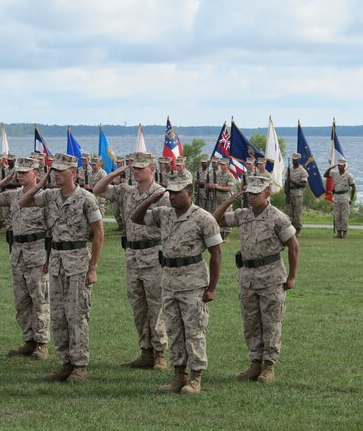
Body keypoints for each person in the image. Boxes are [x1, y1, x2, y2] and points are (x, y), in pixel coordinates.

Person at [131, 174, 222, 394]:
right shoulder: (164, 214)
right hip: (169, 281)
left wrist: (211, 288)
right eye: (170, 192)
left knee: (194, 330)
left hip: (193, 282)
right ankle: (179, 375)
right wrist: (151, 199)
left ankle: (196, 377)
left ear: (189, 192)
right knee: (174, 330)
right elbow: (136, 218)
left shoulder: (203, 218)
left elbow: (216, 254)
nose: (172, 196)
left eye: (177, 192)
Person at [19, 153, 104, 383]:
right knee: (58, 316)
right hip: (56, 260)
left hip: (77, 260)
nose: (56, 174)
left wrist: (92, 267)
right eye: (54, 170)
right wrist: (42, 180)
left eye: (60, 171)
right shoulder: (49, 195)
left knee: (77, 315)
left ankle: (80, 366)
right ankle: (65, 362)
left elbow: (98, 234)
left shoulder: (86, 198)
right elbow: (23, 201)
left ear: (73, 173)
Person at [213, 175, 299, 384]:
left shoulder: (278, 218)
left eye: (256, 193)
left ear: (267, 194)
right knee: (251, 323)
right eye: (249, 193)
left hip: (271, 277)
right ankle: (254, 364)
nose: (251, 197)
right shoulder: (243, 215)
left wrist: (292, 277)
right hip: (248, 278)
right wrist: (227, 201)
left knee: (270, 323)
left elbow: (293, 247)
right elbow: (215, 220)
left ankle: (268, 366)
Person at [93, 152, 169, 370]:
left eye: (140, 168)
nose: (135, 171)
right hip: (132, 255)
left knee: (156, 305)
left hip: (154, 253)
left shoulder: (162, 194)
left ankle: (160, 353)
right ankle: (145, 351)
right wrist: (118, 171)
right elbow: (98, 190)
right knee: (138, 306)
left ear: (152, 170)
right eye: (133, 168)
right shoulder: (126, 191)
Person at [0, 158, 51, 360]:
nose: (20, 175)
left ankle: (42, 343)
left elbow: (51, 230)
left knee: (39, 299)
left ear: (36, 174)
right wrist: (2, 182)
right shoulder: (13, 195)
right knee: (22, 301)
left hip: (38, 252)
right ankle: (28, 340)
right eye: (18, 172)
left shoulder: (45, 197)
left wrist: (49, 257)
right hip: (18, 253)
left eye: (25, 172)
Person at [324, 159, 356, 239]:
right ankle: (339, 233)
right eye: (338, 165)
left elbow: (353, 187)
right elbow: (325, 175)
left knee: (344, 216)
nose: (339, 167)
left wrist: (351, 199)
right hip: (336, 197)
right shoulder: (335, 174)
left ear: (344, 166)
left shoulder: (349, 175)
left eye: (341, 165)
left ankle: (344, 233)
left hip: (344, 196)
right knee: (337, 215)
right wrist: (331, 167)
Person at [285, 153, 309, 237]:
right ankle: (290, 230)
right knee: (289, 213)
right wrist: (286, 191)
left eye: (295, 159)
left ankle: (297, 230)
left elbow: (303, 184)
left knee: (297, 213)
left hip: (297, 193)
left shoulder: (302, 171)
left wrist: (292, 181)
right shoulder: (289, 170)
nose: (293, 161)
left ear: (299, 160)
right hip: (289, 193)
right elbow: (286, 182)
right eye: (293, 159)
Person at [214, 158, 236, 241]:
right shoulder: (217, 174)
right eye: (221, 164)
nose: (221, 166)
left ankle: (226, 235)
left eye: (223, 164)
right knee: (218, 215)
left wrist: (219, 187)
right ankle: (219, 234)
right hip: (218, 198)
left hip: (226, 199)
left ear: (227, 165)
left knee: (227, 216)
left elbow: (230, 188)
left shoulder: (230, 175)